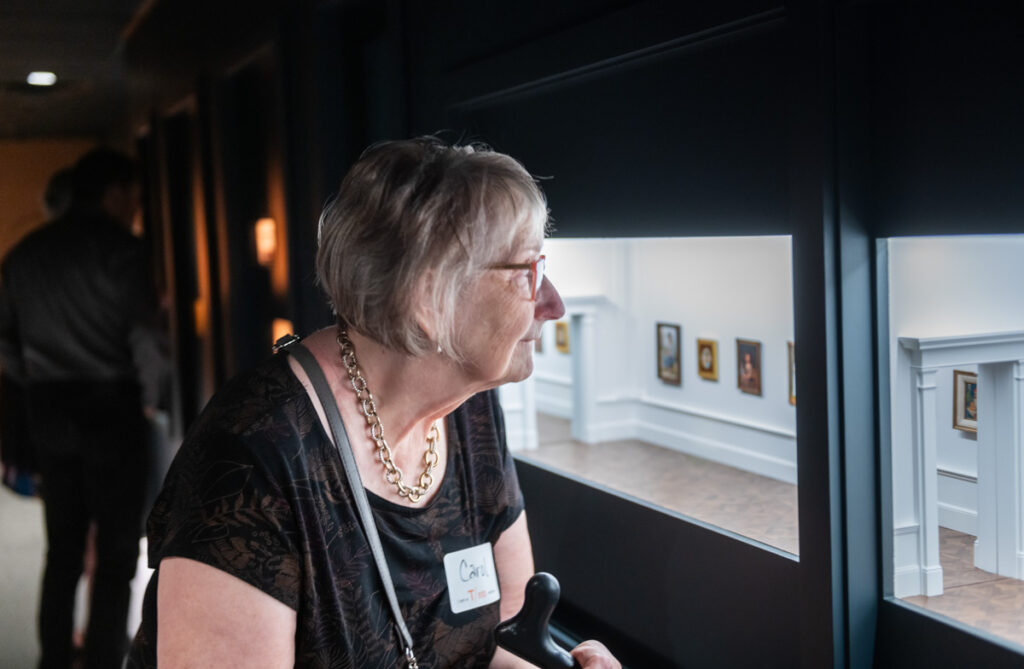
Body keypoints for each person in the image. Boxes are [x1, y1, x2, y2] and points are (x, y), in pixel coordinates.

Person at [127, 137, 619, 668]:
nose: (554, 304)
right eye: (528, 271)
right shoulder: (253, 459)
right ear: (429, 299)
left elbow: (507, 642)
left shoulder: (471, 408)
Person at [0, 148, 162, 669]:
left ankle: (52, 659)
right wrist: (153, 399)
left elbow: (2, 340)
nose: (135, 206)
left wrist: (33, 376)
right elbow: (146, 338)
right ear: (113, 192)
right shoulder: (122, 250)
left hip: (48, 407)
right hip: (110, 406)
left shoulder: (26, 253)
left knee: (63, 545)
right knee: (115, 552)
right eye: (133, 195)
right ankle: (101, 658)